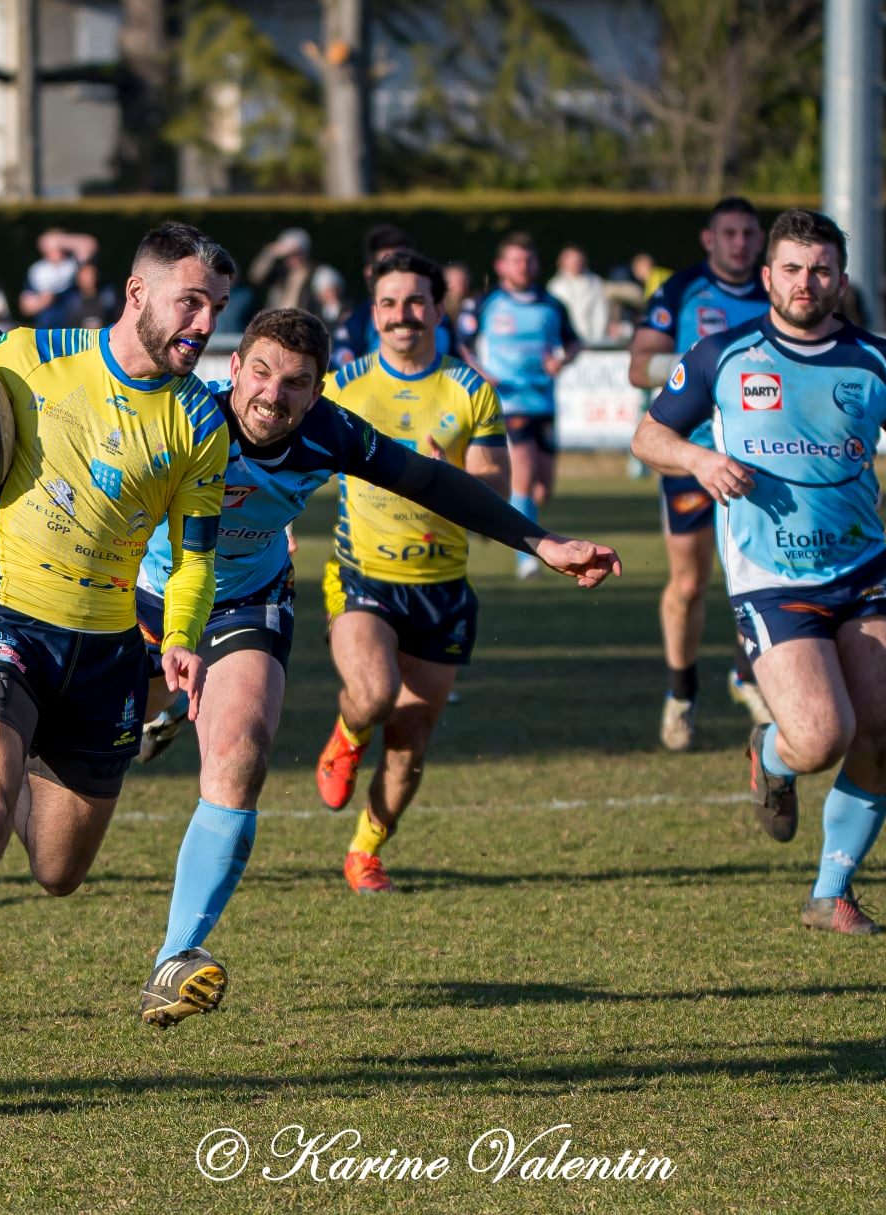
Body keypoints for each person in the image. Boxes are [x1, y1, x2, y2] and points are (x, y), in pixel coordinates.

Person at [123, 306, 617, 1023]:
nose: (272, 394)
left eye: (295, 382)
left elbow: (431, 482)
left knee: (239, 758)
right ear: (231, 368)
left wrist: (540, 542)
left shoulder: (329, 432)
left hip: (246, 604)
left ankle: (174, 960)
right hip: (128, 597)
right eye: (259, 371)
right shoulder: (178, 412)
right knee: (60, 845)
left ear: (318, 392)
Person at [0, 222, 236, 1102]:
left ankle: (21, 749)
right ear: (136, 294)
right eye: (190, 300)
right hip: (0, 621)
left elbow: (194, 556)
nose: (203, 322)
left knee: (57, 870)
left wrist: (186, 636)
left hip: (106, 656)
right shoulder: (24, 357)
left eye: (216, 307)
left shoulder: (199, 416)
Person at [632, 209, 886, 933]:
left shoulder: (875, 360)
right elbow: (648, 433)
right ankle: (770, 755)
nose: (804, 282)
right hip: (770, 576)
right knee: (821, 736)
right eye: (790, 268)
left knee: (880, 726)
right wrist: (697, 458)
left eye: (819, 269)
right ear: (766, 277)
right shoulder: (723, 355)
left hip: (862, 569)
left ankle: (831, 891)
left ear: (840, 279)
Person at [313, 251, 517, 893]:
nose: (404, 315)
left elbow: (497, 487)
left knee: (410, 741)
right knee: (373, 695)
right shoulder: (342, 386)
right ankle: (347, 734)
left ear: (438, 308)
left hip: (442, 590)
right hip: (361, 577)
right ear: (374, 313)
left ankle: (366, 850)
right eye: (390, 303)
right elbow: (291, 463)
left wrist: (446, 473)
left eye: (416, 302)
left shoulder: (470, 389)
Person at [625, 196, 774, 749]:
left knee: (757, 577)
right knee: (690, 583)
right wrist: (706, 364)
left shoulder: (776, 290)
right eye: (728, 234)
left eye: (748, 234)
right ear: (709, 240)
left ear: (760, 240)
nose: (739, 242)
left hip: (762, 464)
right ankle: (681, 695)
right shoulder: (680, 291)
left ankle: (746, 674)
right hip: (689, 455)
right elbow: (639, 364)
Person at [468, 232, 582, 580]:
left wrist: (561, 362)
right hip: (508, 402)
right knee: (525, 474)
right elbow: (463, 345)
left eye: (529, 259)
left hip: (543, 402)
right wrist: (481, 373)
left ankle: (482, 514)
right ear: (501, 266)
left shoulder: (552, 304)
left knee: (542, 488)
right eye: (516, 260)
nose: (524, 266)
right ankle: (527, 560)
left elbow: (574, 343)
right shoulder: (487, 303)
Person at [332, 223, 461, 370]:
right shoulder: (357, 322)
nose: (401, 317)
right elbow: (341, 367)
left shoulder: (438, 319)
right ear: (368, 272)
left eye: (404, 263)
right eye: (387, 265)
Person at [19, 228, 97, 322]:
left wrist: (61, 240)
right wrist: (41, 302)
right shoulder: (37, 270)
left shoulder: (72, 264)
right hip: (46, 327)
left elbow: (90, 244)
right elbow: (25, 307)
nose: (58, 251)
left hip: (72, 324)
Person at [547, 244, 610, 344]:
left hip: (591, 340)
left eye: (578, 260)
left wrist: (597, 339)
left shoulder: (595, 283)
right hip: (566, 343)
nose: (575, 264)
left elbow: (600, 313)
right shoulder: (555, 286)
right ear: (563, 262)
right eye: (572, 260)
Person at [247, 227, 317, 314]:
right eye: (288, 254)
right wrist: (269, 253)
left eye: (296, 253)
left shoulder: (315, 273)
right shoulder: (282, 272)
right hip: (279, 322)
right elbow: (256, 276)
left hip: (302, 323)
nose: (291, 258)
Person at [60, 257, 121, 329]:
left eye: (91, 274)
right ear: (78, 278)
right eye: (85, 275)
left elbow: (116, 317)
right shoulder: (70, 299)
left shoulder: (108, 294)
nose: (89, 279)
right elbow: (67, 324)